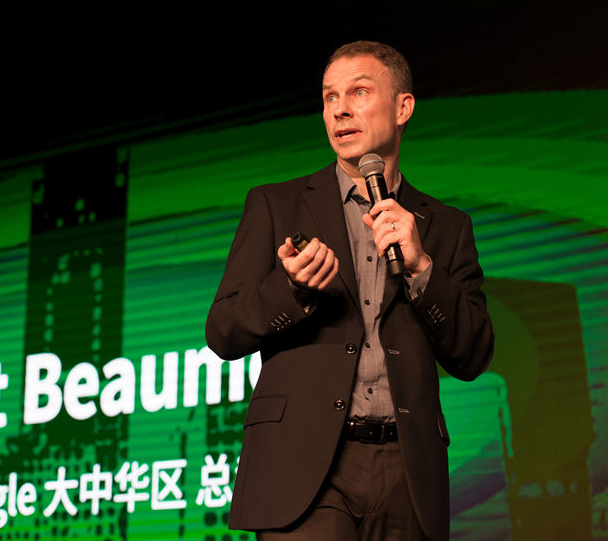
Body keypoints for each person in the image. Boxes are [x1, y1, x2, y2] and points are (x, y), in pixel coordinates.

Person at [205, 41, 494, 541]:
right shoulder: (277, 205)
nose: (339, 109)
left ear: (403, 107)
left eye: (358, 92)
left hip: (406, 471)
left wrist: (422, 267)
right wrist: (292, 289)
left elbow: (472, 354)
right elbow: (223, 332)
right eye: (329, 97)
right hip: (303, 467)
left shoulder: (446, 227)